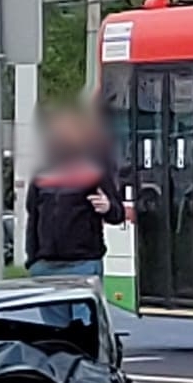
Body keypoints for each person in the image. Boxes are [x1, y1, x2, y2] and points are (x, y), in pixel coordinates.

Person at [25, 107, 118, 293]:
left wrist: (108, 207)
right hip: (46, 267)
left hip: (83, 265)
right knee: (52, 323)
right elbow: (33, 217)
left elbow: (117, 214)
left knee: (84, 321)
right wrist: (33, 261)